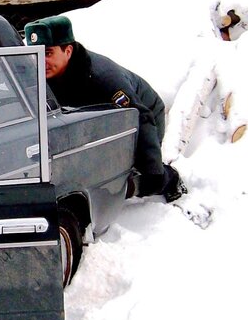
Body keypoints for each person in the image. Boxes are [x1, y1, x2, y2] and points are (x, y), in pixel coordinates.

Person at [23, 15, 185, 201]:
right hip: (96, 117)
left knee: (136, 174)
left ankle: (169, 179)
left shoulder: (102, 77)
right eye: (36, 53)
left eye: (48, 53)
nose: (40, 60)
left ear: (67, 51)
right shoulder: (43, 70)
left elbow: (140, 116)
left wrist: (153, 169)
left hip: (142, 113)